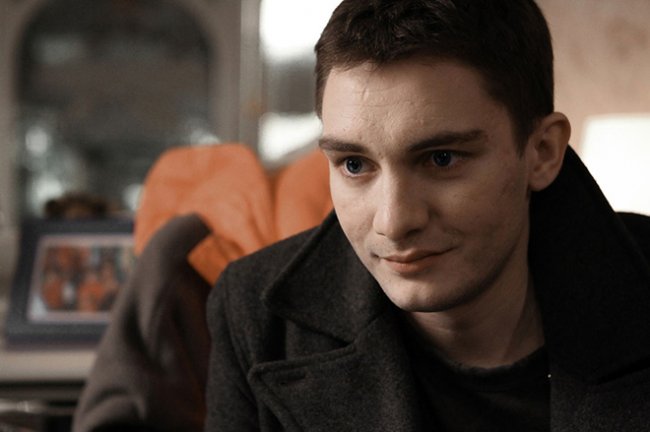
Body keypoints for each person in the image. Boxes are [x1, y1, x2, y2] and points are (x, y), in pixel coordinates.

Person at [204, 0, 650, 431]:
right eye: (354, 165)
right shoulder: (254, 315)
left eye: (441, 159)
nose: (393, 222)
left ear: (543, 152)